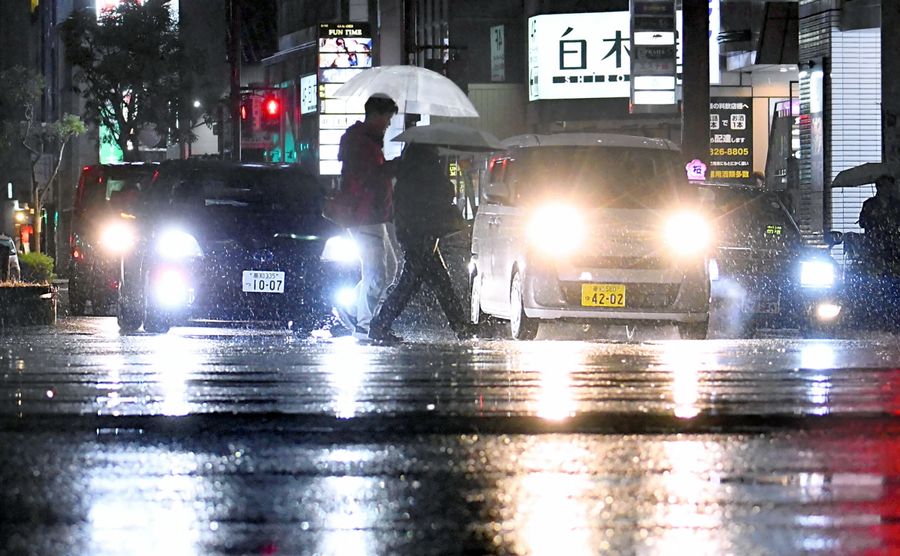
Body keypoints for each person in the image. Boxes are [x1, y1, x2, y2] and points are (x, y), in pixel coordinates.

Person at [367, 143, 474, 344]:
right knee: (412, 283)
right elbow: (444, 193)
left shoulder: (408, 173)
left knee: (437, 281)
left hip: (412, 233)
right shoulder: (428, 172)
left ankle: (461, 326)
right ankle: (380, 324)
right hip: (424, 234)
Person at [336, 93, 400, 339]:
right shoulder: (361, 143)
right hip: (365, 213)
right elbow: (368, 177)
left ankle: (353, 308)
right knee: (377, 273)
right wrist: (391, 167)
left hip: (372, 213)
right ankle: (366, 325)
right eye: (387, 118)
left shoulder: (365, 141)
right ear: (376, 116)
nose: (388, 124)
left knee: (389, 269)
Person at [858, 174, 900, 270]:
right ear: (879, 187)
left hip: (893, 247)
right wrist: (872, 216)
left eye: (890, 186)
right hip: (874, 246)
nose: (889, 189)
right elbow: (862, 223)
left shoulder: (897, 205)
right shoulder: (869, 204)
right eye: (886, 186)